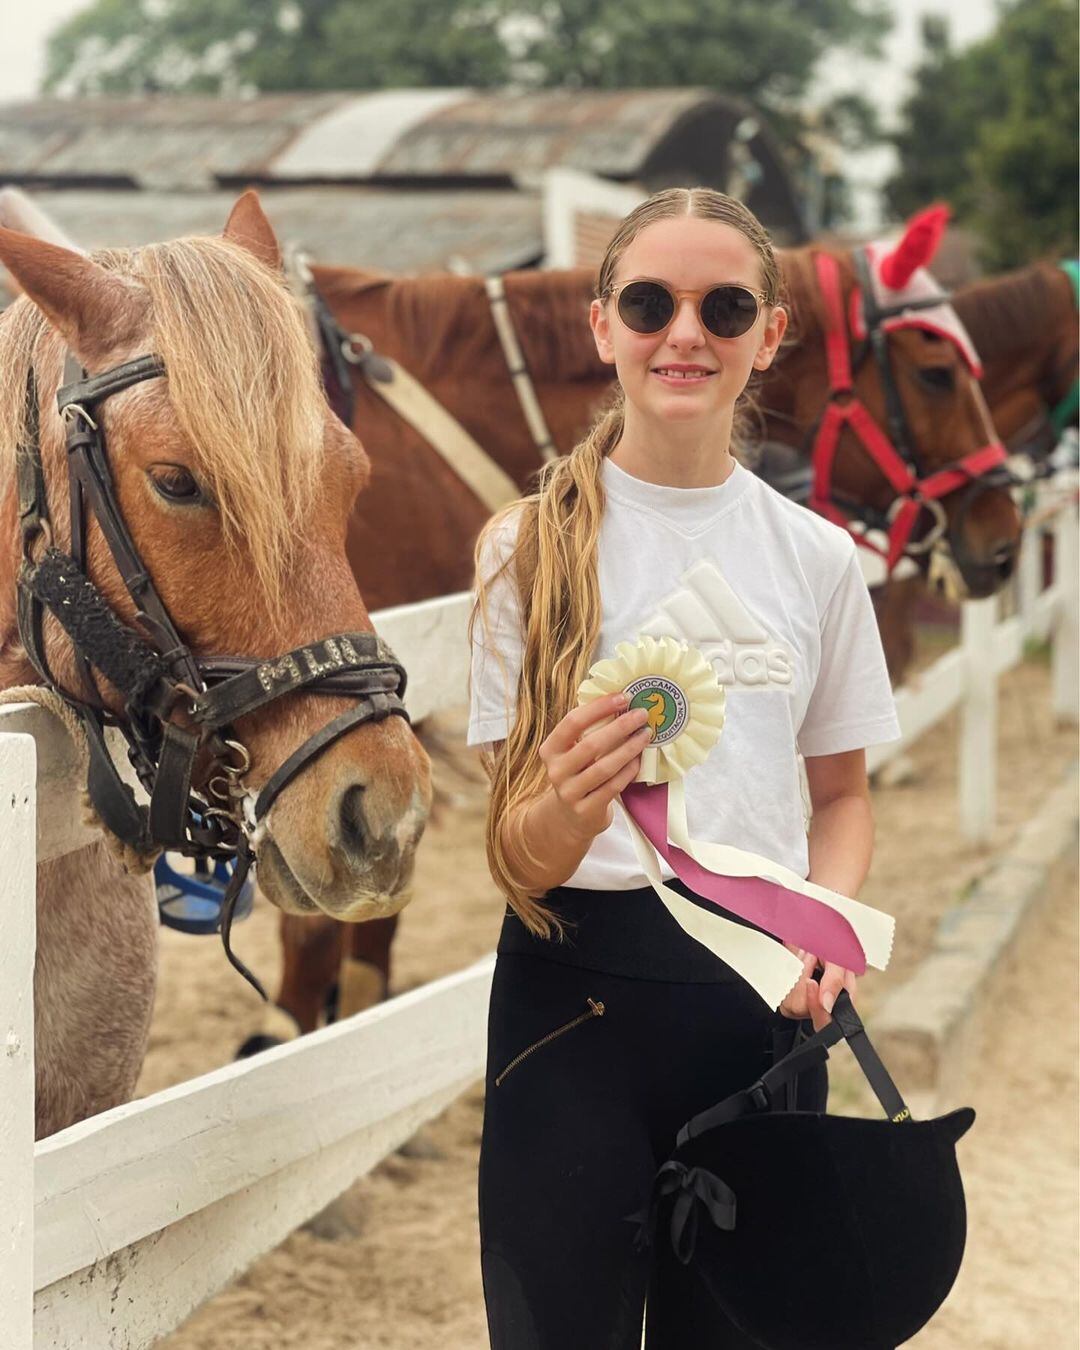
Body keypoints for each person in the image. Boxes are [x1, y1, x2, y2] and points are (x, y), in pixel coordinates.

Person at [467, 187, 902, 1350]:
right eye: (651, 301)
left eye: (724, 306)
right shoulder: (528, 550)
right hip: (571, 1010)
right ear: (602, 325)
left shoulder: (816, 559)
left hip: (763, 1014)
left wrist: (826, 927)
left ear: (769, 337)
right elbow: (512, 857)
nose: (685, 333)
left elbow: (843, 793)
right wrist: (565, 805)